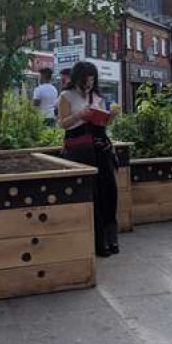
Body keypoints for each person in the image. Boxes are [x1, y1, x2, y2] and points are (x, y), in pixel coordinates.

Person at [58, 60, 119, 258]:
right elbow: (62, 124)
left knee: (108, 190)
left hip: (100, 147)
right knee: (91, 193)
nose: (89, 84)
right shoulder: (66, 96)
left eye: (92, 81)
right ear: (77, 78)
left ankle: (111, 238)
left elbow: (103, 123)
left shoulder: (98, 97)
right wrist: (79, 115)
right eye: (86, 81)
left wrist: (111, 117)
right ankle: (98, 242)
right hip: (80, 148)